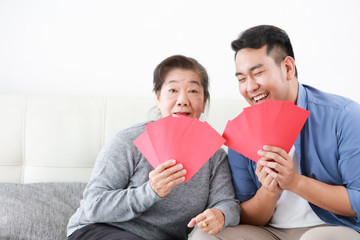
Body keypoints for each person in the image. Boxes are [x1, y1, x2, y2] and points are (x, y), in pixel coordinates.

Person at [192, 25, 360, 239]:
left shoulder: (343, 116)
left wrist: (295, 182)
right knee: (204, 236)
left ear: (288, 68)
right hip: (269, 232)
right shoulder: (241, 132)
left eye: (258, 73)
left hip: (332, 228)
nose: (250, 87)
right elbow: (245, 214)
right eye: (242, 79)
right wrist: (269, 192)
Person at [66, 55, 240, 240]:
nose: (182, 100)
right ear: (158, 98)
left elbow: (228, 203)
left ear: (204, 101)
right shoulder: (129, 140)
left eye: (193, 91)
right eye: (173, 90)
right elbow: (93, 206)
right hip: (100, 230)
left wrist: (220, 215)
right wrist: (150, 191)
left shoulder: (215, 156)